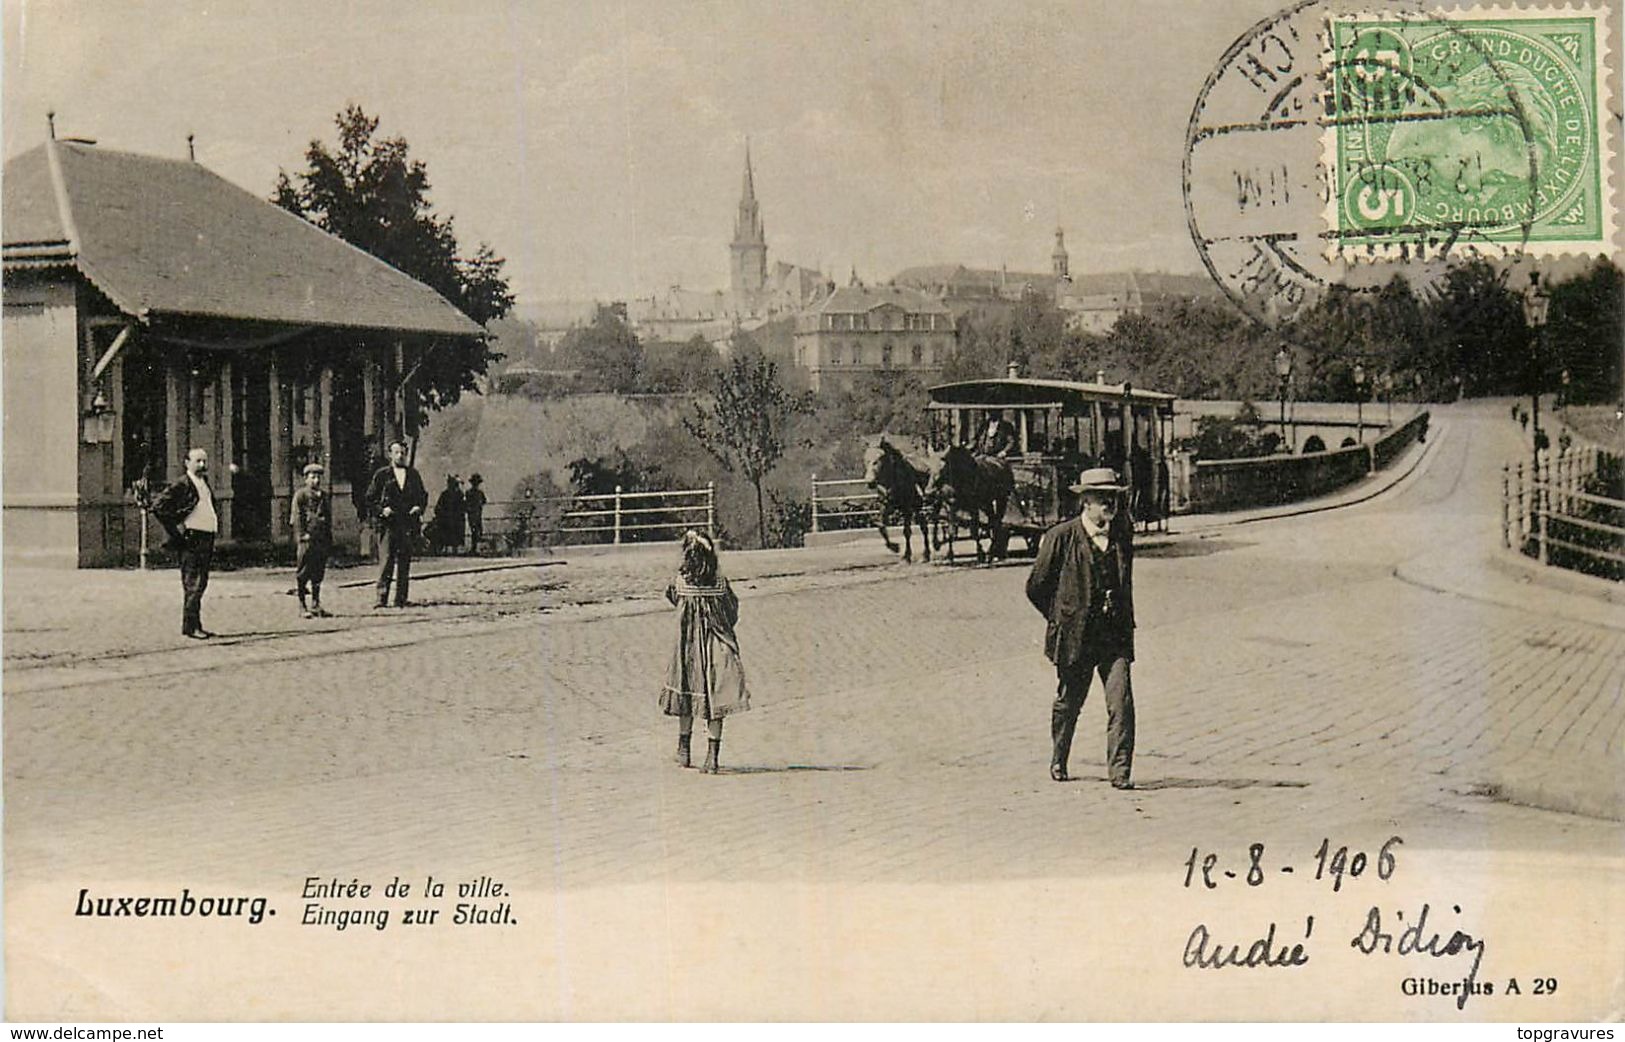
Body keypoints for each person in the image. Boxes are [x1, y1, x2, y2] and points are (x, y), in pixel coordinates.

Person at [1025, 467, 1137, 789]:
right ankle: (1059, 756)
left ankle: (1120, 772)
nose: (1110, 505)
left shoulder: (1121, 536)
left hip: (1114, 636)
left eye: (1114, 498)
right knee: (1069, 702)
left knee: (1122, 703)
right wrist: (1062, 617)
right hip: (1077, 638)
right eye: (1103, 499)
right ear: (1085, 502)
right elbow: (1035, 587)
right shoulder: (1062, 537)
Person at [660, 530, 750, 774]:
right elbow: (732, 611)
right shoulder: (720, 584)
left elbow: (671, 596)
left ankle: (684, 748)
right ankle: (712, 756)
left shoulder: (680, 583)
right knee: (715, 699)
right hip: (714, 647)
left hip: (687, 648)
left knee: (686, 695)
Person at [150, 447, 220, 639]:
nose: (203, 465)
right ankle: (190, 627)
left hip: (206, 537)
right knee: (193, 583)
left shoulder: (203, 483)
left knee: (201, 582)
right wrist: (177, 529)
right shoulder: (183, 483)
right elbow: (158, 506)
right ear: (187, 462)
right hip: (192, 538)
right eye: (198, 461)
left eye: (205, 461)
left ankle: (195, 624)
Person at [365, 440, 428, 608]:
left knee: (404, 561)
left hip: (407, 524)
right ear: (390, 455)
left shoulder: (413, 475)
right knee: (386, 561)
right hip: (388, 525)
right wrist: (381, 510)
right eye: (397, 452)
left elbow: (422, 496)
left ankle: (401, 598)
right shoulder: (382, 475)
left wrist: (418, 507)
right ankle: (381, 598)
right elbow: (370, 499)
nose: (400, 456)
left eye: (403, 453)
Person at [290, 462, 333, 618]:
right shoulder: (301, 495)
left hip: (321, 540)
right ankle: (302, 605)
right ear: (306, 479)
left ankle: (316, 604)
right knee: (303, 571)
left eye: (318, 477)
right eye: (313, 477)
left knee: (318, 571)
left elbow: (328, 518)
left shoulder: (324, 496)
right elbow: (296, 517)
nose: (316, 480)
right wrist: (301, 535)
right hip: (307, 540)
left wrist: (329, 539)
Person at [433, 474, 465, 554]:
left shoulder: (459, 494)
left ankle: (454, 550)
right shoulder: (446, 494)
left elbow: (463, 506)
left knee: (454, 533)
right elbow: (439, 506)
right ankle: (450, 549)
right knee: (448, 533)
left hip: (454, 518)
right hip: (448, 518)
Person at [464, 473, 487, 555]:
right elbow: (484, 501)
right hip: (476, 513)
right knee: (476, 530)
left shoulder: (469, 493)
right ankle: (475, 548)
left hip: (473, 514)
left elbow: (466, 503)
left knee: (475, 530)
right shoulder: (479, 493)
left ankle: (474, 548)